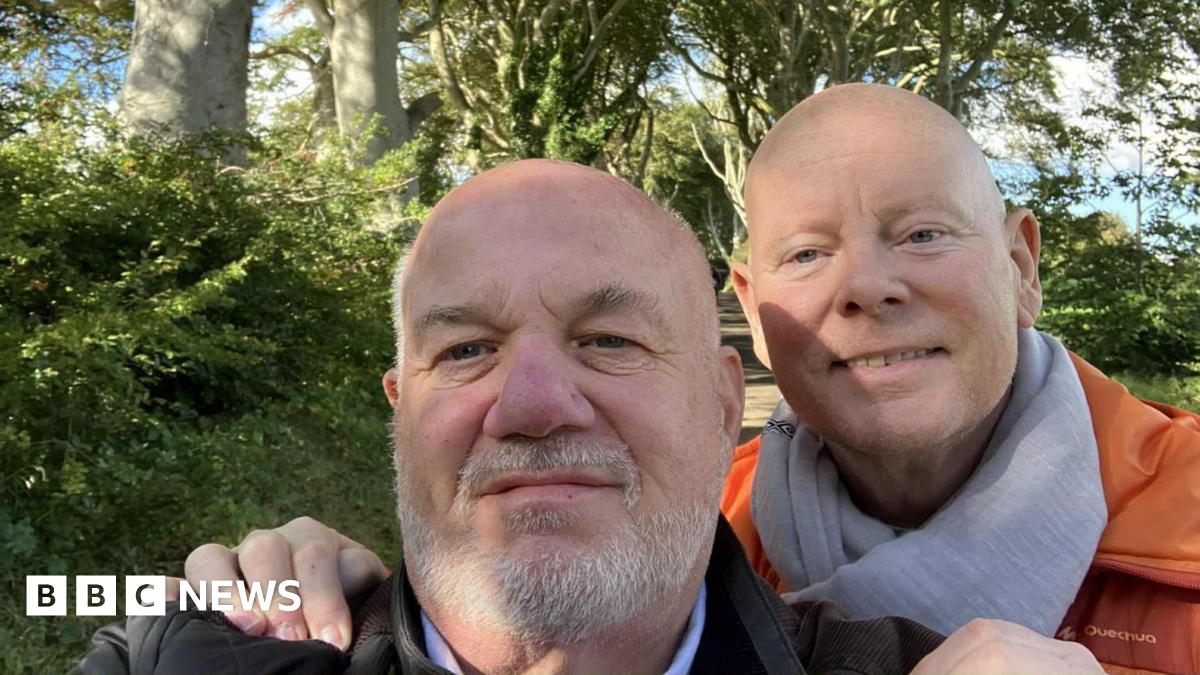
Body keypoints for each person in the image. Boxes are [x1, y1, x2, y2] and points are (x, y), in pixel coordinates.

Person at [77, 160, 1101, 674]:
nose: (527, 405)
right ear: (402, 415)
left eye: (609, 342)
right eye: (466, 348)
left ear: (718, 405)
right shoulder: (184, 657)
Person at [721, 83, 1200, 673]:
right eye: (806, 255)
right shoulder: (692, 536)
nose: (868, 287)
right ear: (754, 315)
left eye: (923, 234)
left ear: (1020, 270)